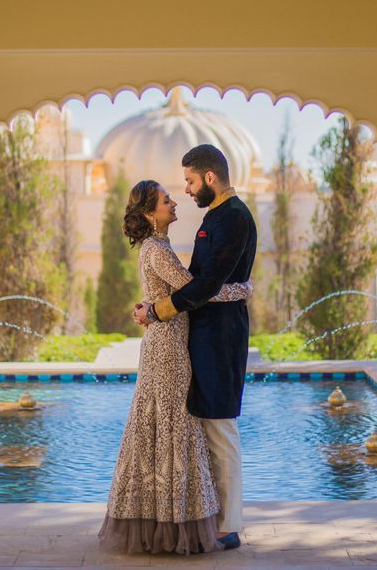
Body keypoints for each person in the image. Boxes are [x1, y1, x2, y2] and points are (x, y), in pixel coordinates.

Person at [98, 178, 252, 555]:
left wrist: (149, 307)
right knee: (173, 427)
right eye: (167, 200)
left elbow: (171, 293)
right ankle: (174, 523)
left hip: (167, 343)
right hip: (167, 349)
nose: (174, 202)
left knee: (166, 428)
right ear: (151, 213)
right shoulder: (157, 250)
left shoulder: (158, 247)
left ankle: (166, 518)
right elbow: (194, 290)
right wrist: (242, 289)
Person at [134, 144, 258, 552]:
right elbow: (202, 282)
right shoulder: (216, 218)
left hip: (221, 337)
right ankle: (208, 518)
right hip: (201, 336)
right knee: (204, 427)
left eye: (189, 181)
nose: (185, 190)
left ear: (209, 177)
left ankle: (228, 525)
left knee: (220, 426)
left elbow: (203, 286)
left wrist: (158, 311)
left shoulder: (234, 218)